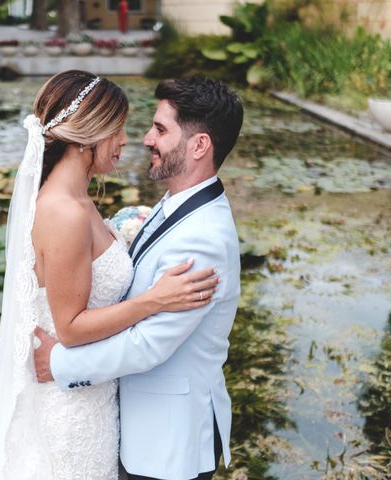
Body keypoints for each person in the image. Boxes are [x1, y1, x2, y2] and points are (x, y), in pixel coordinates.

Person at [0, 70, 219, 479]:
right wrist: (156, 299)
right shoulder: (66, 211)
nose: (128, 140)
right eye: (119, 129)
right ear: (86, 136)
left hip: (93, 397)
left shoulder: (79, 199)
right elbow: (71, 328)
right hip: (70, 411)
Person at [34, 77, 244, 480]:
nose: (145, 139)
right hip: (126, 421)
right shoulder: (175, 203)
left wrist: (58, 363)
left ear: (199, 145)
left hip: (166, 442)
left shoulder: (203, 237)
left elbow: (147, 345)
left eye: (161, 130)